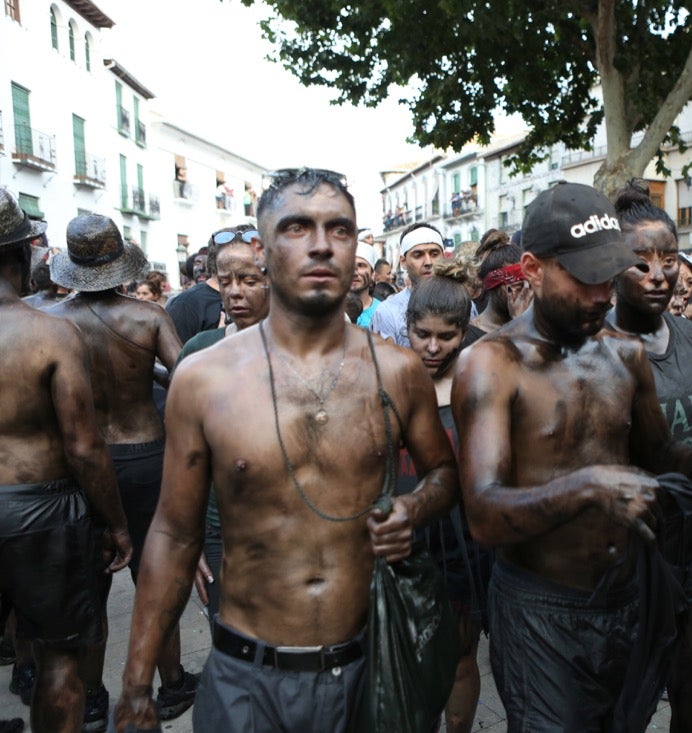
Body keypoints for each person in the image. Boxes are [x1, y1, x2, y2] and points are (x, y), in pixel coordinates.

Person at [112, 168, 459, 731]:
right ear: (263, 248)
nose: (321, 244)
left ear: (355, 246)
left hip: (367, 671)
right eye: (298, 227)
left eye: (339, 229)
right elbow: (175, 533)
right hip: (248, 677)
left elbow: (444, 474)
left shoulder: (398, 372)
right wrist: (135, 685)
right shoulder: (204, 379)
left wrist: (412, 508)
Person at [452, 182, 692, 732]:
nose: (602, 294)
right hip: (542, 611)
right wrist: (588, 486)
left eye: (607, 275)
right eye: (585, 278)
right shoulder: (492, 365)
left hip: (628, 600)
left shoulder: (625, 354)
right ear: (532, 268)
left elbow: (661, 454)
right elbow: (483, 513)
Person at [46, 215, 190, 728]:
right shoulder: (147, 318)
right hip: (146, 456)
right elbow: (185, 377)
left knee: (89, 586)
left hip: (80, 463)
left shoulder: (53, 321)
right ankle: (171, 684)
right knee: (157, 576)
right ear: (120, 261)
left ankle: (90, 700)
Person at [0, 189, 133, 733]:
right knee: (60, 659)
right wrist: (116, 524)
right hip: (42, 512)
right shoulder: (50, 332)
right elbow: (84, 445)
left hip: (39, 512)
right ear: (20, 256)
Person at [605, 182, 692, 733]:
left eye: (669, 259)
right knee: (628, 695)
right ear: (612, 268)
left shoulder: (686, 331)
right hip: (635, 550)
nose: (659, 274)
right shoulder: (596, 348)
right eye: (641, 262)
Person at [401, 260, 493, 733]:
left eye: (446, 336)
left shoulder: (479, 384)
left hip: (464, 551)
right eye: (422, 335)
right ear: (408, 328)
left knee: (460, 657)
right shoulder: (392, 383)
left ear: (465, 330)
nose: (433, 347)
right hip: (406, 550)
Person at [174, 228, 271, 623]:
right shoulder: (199, 352)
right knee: (231, 642)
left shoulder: (308, 352)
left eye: (249, 280)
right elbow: (182, 457)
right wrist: (190, 540)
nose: (234, 292)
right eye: (226, 281)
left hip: (291, 529)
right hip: (218, 528)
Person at [370, 223, 447, 347]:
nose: (428, 262)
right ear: (403, 262)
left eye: (434, 254)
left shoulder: (464, 304)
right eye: (418, 255)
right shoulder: (387, 312)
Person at [466, 231, 528, 344]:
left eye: (525, 284)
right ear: (491, 284)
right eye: (514, 285)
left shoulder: (532, 326)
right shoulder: (470, 337)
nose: (521, 292)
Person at [350, 240, 379, 328]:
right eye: (350, 266)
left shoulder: (383, 311)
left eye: (361, 266)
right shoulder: (331, 313)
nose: (355, 273)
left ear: (372, 273)